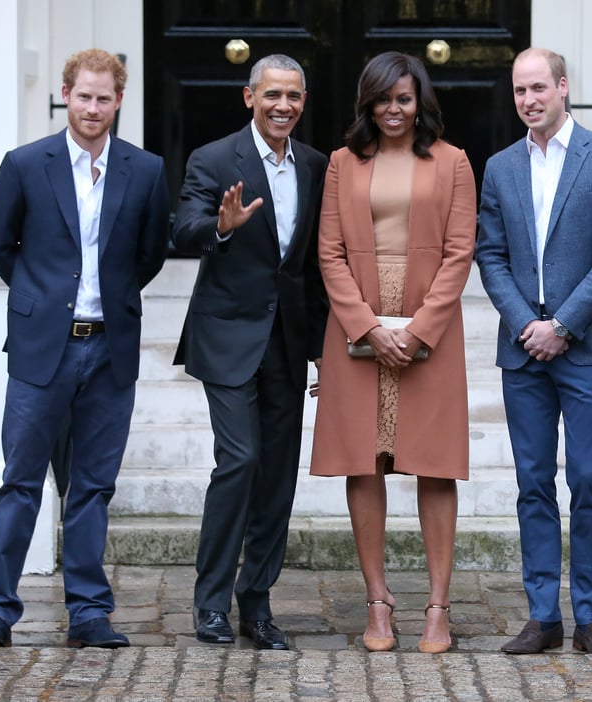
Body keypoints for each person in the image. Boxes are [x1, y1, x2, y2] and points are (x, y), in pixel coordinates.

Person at [0, 49, 170, 648]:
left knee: (92, 486)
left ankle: (88, 612)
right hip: (41, 350)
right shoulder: (27, 164)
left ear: (119, 101)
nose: (92, 107)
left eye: (103, 98)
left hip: (110, 350)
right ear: (66, 94)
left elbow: (149, 254)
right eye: (83, 96)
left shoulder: (147, 169)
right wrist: (41, 301)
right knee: (21, 482)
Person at [310, 51, 476, 655]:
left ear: (419, 100)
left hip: (430, 326)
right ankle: (378, 603)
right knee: (365, 461)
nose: (393, 109)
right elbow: (329, 251)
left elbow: (460, 253)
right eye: (382, 99)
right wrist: (367, 326)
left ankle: (438, 607)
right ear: (367, 104)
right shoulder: (341, 163)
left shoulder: (454, 162)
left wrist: (420, 329)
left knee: (434, 464)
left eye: (403, 98)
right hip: (357, 324)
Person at [475, 48, 592, 656]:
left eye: (538, 87)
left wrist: (563, 325)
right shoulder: (499, 167)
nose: (529, 100)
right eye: (520, 91)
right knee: (532, 480)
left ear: (564, 87)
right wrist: (527, 323)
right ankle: (542, 615)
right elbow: (489, 254)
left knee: (588, 478)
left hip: (588, 347)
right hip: (524, 351)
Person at [172, 54, 328, 651]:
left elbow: (312, 267)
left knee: (276, 480)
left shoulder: (315, 166)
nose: (282, 105)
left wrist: (321, 352)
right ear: (249, 97)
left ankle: (255, 604)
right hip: (228, 337)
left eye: (292, 96)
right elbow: (183, 229)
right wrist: (223, 224)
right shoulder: (214, 160)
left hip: (288, 343)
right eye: (271, 95)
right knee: (239, 462)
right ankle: (209, 602)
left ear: (302, 101)